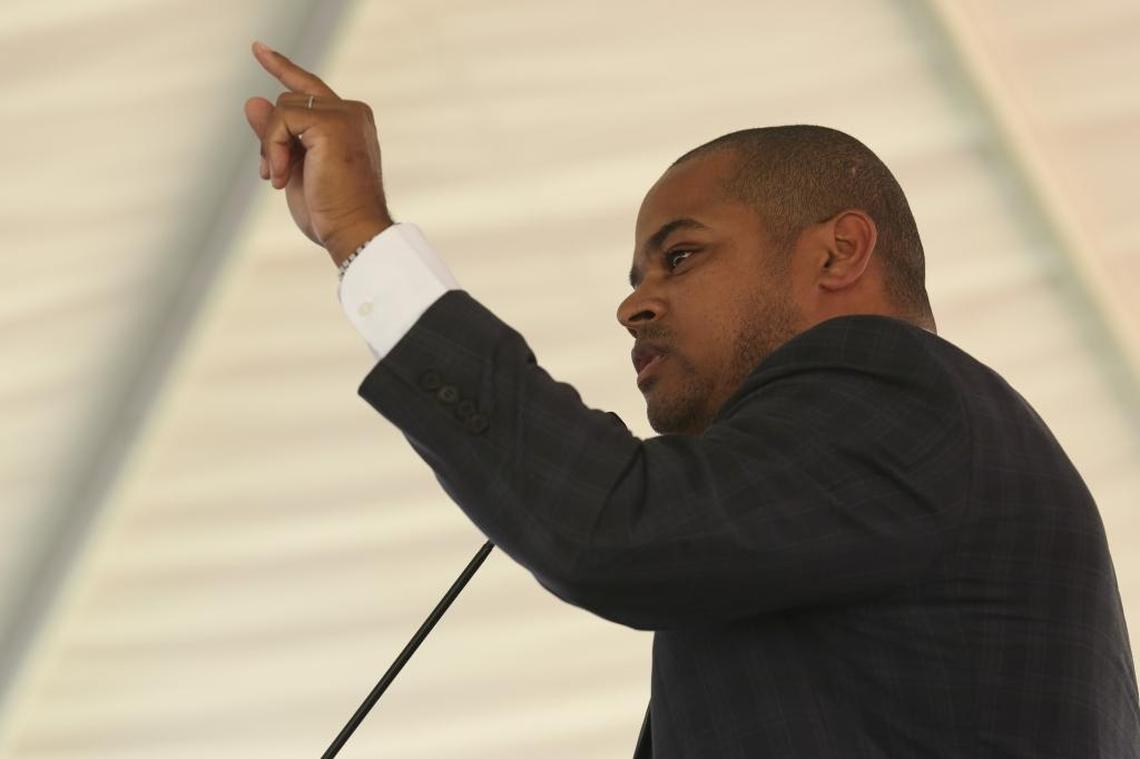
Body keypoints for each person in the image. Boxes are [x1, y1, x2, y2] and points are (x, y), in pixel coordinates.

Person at [244, 41, 1140, 757]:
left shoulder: (902, 387)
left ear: (838, 253)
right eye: (638, 276)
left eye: (681, 256)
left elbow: (614, 525)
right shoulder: (836, 526)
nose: (632, 304)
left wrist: (362, 238)